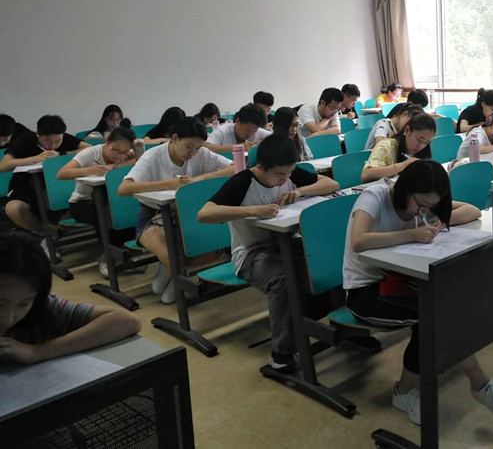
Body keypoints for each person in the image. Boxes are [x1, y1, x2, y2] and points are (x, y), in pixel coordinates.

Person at [344, 160, 493, 425]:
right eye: (421, 205)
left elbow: (472, 211)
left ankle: (416, 386)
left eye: (431, 205)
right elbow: (358, 241)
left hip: (402, 280)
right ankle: (478, 383)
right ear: (405, 189)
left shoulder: (424, 202)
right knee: (435, 318)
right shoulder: (375, 196)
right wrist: (412, 234)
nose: (424, 211)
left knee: (450, 306)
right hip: (367, 292)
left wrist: (438, 219)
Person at [197, 135, 339, 372]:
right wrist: (253, 210)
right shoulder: (242, 181)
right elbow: (204, 214)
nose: (285, 179)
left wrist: (300, 191)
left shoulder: (288, 172)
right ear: (261, 167)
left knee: (330, 261)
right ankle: (281, 353)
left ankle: (336, 327)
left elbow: (331, 184)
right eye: (279, 175)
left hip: (288, 244)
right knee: (283, 279)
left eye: (289, 173)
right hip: (252, 253)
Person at [118, 117, 234, 304]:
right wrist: (169, 184)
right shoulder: (153, 156)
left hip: (185, 216)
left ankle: (172, 274)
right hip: (152, 217)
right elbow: (123, 189)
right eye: (189, 147)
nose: (192, 153)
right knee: (170, 257)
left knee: (209, 253)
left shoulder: (200, 153)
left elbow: (235, 167)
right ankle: (172, 270)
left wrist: (200, 179)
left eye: (197, 148)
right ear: (174, 138)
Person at [0, 231, 141, 365]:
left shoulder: (43, 307)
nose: (9, 318)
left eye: (24, 304)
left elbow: (127, 321)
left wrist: (36, 352)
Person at [57, 127, 137, 271]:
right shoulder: (91, 153)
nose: (120, 155)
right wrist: (91, 170)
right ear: (107, 142)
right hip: (82, 203)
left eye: (125, 152)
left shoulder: (127, 154)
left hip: (110, 200)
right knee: (106, 215)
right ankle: (109, 257)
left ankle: (121, 252)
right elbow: (62, 174)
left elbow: (138, 159)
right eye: (116, 150)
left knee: (126, 210)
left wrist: (115, 166)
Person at [0, 115, 90, 243]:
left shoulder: (62, 136)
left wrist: (62, 154)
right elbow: (3, 165)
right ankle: (45, 233)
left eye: (57, 141)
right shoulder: (26, 139)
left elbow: (89, 149)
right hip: (25, 184)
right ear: (38, 134)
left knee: (62, 198)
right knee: (13, 209)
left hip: (54, 184)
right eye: (46, 140)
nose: (52, 145)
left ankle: (55, 233)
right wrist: (35, 158)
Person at [361, 114, 436, 183]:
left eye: (426, 143)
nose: (420, 146)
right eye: (419, 140)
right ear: (407, 130)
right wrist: (402, 166)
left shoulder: (423, 152)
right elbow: (366, 175)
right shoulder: (386, 145)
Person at [204, 103, 269, 153]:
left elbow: (274, 138)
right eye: (247, 130)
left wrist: (257, 144)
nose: (250, 134)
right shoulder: (222, 131)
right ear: (237, 121)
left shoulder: (256, 130)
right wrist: (236, 147)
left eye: (254, 131)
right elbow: (205, 147)